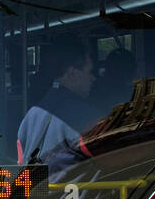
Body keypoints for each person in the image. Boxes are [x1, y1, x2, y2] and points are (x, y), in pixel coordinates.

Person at [16, 39, 102, 172]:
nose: (93, 78)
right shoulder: (85, 114)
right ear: (72, 73)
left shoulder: (30, 115)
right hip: (78, 192)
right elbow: (109, 160)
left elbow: (21, 161)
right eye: (90, 71)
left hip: (37, 191)